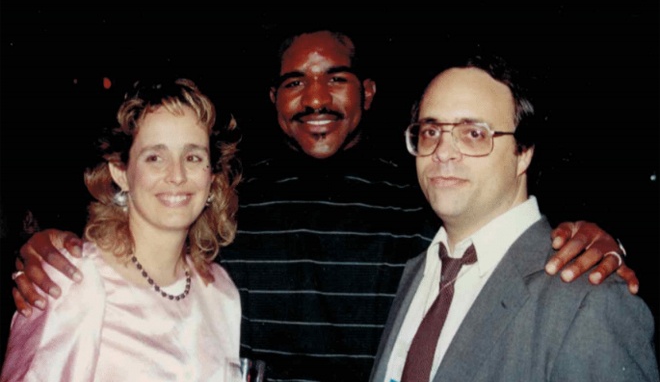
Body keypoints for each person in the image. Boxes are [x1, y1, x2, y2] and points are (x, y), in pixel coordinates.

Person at [12, 30, 637, 381]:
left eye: (333, 78)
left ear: (366, 92)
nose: (314, 98)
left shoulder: (425, 199)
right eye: (293, 83)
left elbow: (499, 238)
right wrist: (52, 246)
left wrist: (589, 239)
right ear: (274, 101)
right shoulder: (235, 202)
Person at [370, 54, 658, 382]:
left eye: (473, 133)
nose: (443, 151)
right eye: (431, 131)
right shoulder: (415, 272)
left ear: (523, 152)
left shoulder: (590, 300)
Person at [2, 79, 242, 381]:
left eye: (193, 157)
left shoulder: (221, 293)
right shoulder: (76, 279)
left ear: (212, 176)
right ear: (121, 172)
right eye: (155, 157)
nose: (178, 175)